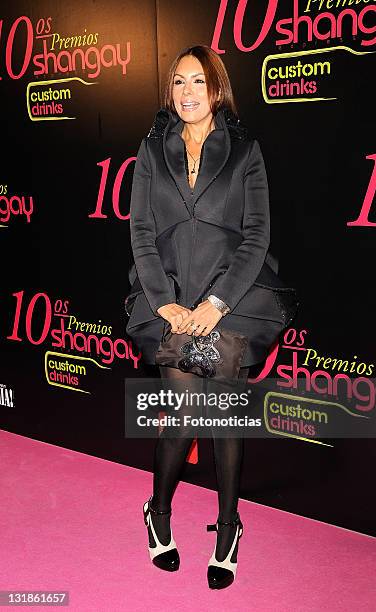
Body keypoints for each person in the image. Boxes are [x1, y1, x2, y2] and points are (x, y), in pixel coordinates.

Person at [126, 44, 297, 589]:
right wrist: (165, 303)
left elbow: (257, 236)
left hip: (231, 302)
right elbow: (142, 233)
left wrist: (216, 304)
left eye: (197, 82)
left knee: (223, 422)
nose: (186, 93)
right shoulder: (153, 149)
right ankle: (159, 511)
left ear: (216, 88)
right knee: (180, 422)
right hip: (171, 300)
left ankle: (228, 528)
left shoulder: (246, 150)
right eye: (178, 82)